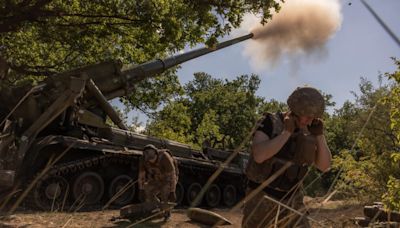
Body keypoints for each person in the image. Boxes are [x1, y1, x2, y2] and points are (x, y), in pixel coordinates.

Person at [242, 86, 332, 228]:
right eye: (307, 116)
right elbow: (259, 156)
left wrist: (320, 136)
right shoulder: (269, 122)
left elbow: (324, 166)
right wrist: (286, 133)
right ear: (297, 110)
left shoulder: (310, 131)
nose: (310, 121)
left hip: (292, 199)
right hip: (261, 197)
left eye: (313, 118)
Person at [138, 144, 179, 220]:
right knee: (147, 188)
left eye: (148, 152)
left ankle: (167, 213)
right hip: (156, 179)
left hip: (168, 180)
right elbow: (141, 176)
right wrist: (141, 189)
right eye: (145, 153)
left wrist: (172, 191)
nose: (146, 154)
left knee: (164, 192)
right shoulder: (143, 159)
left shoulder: (164, 157)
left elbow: (172, 175)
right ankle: (156, 207)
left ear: (155, 153)